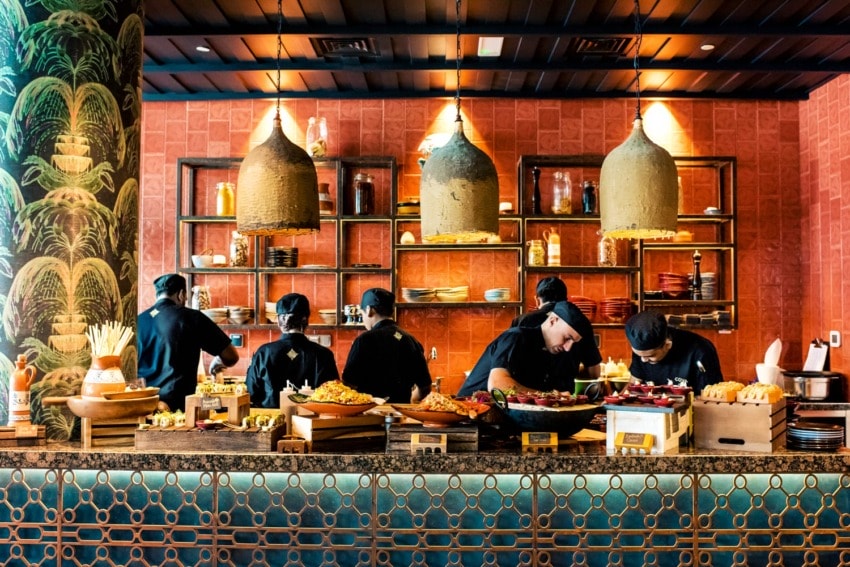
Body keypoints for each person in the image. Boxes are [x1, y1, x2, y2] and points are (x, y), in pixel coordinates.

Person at [137, 274, 239, 411]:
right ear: (181, 294)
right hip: (177, 407)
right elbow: (231, 357)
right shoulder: (192, 317)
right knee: (217, 411)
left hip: (143, 405)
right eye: (185, 296)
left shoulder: (138, 321)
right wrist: (217, 363)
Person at [457, 300, 593, 396]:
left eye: (573, 342)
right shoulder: (515, 337)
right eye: (567, 338)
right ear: (552, 321)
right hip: (469, 419)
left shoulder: (556, 353)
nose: (568, 347)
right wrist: (549, 396)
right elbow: (498, 384)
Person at [245, 293, 339, 408]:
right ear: (306, 320)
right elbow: (334, 394)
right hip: (312, 420)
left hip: (271, 420)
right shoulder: (324, 355)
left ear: (279, 321)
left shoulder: (264, 352)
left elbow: (251, 392)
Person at [342, 288, 431, 403]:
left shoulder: (364, 340)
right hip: (399, 416)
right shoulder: (410, 340)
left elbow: (347, 385)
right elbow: (425, 388)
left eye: (362, 313)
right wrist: (409, 403)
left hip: (368, 415)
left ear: (369, 310)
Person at [511, 277, 602, 382]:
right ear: (566, 299)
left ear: (537, 300)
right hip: (566, 395)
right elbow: (594, 373)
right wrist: (572, 371)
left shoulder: (521, 321)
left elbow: (509, 367)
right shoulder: (580, 323)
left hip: (527, 394)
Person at [624, 310, 723, 392]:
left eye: (651, 356)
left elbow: (711, 396)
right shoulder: (642, 349)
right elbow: (634, 383)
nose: (643, 360)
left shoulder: (701, 351)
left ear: (667, 345)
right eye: (639, 354)